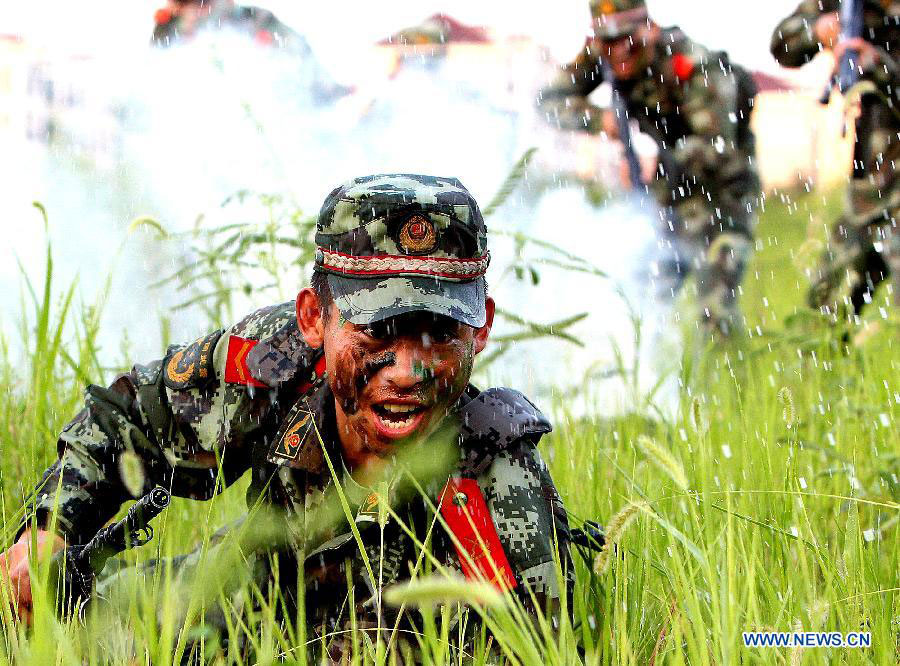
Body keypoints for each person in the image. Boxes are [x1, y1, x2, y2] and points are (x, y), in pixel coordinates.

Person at [0, 174, 572, 660]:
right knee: (62, 617)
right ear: (313, 319)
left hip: (390, 638)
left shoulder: (498, 490)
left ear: (482, 329)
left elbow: (541, 645)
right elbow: (129, 416)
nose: (407, 371)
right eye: (377, 330)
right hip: (248, 591)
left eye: (439, 334)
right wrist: (50, 527)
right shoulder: (275, 363)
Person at [537, 0, 760, 336]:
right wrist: (601, 121)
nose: (619, 52)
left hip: (722, 194)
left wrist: (655, 163)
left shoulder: (694, 65)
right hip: (667, 193)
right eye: (608, 43)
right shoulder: (603, 53)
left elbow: (717, 148)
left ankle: (732, 380)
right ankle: (644, 375)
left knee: (716, 306)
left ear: (649, 28)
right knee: (639, 297)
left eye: (629, 39)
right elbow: (549, 99)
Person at [771, 1, 900, 319]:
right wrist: (819, 30)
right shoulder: (846, 3)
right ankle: (814, 367)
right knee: (824, 309)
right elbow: (782, 45)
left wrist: (879, 68)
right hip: (873, 186)